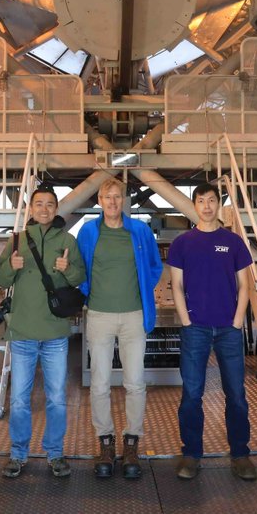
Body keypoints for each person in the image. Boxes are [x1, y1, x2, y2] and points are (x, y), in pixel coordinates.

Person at [167, 182, 257, 481]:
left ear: (219, 204)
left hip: (228, 330)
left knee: (236, 394)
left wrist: (237, 321)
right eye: (201, 201)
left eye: (211, 200)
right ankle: (192, 454)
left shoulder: (233, 242)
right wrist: (186, 321)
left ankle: (240, 454)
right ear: (194, 205)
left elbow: (245, 285)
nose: (206, 206)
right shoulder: (182, 243)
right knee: (192, 395)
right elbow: (176, 285)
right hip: (195, 329)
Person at [0, 184, 86, 479]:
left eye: (49, 204)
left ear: (56, 209)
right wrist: (11, 266)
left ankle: (55, 453)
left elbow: (80, 277)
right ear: (31, 209)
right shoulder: (17, 240)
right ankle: (18, 453)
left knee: (56, 398)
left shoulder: (67, 239)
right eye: (39, 204)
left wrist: (66, 269)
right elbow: (1, 278)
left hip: (55, 332)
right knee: (19, 399)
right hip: (22, 331)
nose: (44, 209)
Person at [76, 177, 163, 480]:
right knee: (99, 383)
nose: (112, 202)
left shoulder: (139, 231)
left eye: (117, 197)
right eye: (107, 197)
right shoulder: (88, 232)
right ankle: (105, 442)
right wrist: (87, 293)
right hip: (99, 315)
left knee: (135, 382)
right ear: (99, 201)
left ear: (124, 200)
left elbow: (154, 267)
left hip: (134, 316)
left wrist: (140, 290)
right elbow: (79, 268)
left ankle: (131, 443)